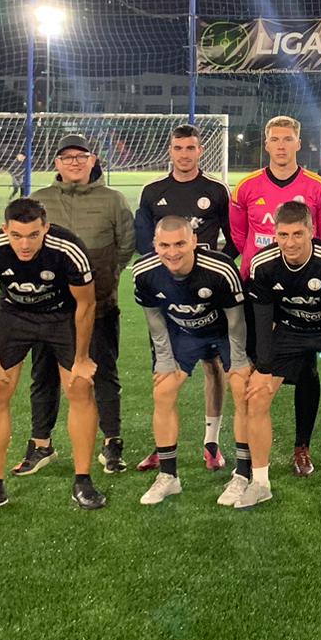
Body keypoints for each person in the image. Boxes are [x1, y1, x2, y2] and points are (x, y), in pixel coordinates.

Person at [0, 198, 104, 515]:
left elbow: (86, 305)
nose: (25, 244)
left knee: (80, 386)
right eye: (16, 236)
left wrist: (81, 358)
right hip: (14, 316)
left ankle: (83, 482)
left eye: (33, 235)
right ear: (5, 230)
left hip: (61, 315)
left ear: (45, 228)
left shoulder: (68, 248)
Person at [15, 134, 135, 478]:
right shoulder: (40, 200)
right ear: (57, 163)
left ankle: (112, 443)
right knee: (44, 374)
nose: (74, 162)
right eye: (67, 157)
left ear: (92, 160)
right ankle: (41, 444)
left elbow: (125, 245)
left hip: (98, 305)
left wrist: (104, 278)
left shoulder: (113, 200)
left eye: (81, 156)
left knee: (103, 372)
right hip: (48, 308)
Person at [228, 115, 321, 478]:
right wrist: (264, 269)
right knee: (255, 369)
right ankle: (247, 453)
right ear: (266, 144)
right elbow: (239, 238)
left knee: (307, 369)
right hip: (259, 290)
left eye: (287, 139)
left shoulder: (319, 188)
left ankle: (301, 446)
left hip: (304, 295)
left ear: (298, 143)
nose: (281, 145)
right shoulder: (245, 187)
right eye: (275, 139)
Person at [245, 202, 321, 510]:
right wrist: (263, 368)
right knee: (257, 398)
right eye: (283, 235)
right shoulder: (263, 264)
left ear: (311, 231)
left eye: (298, 234)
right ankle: (260, 484)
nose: (290, 243)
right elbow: (262, 320)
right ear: (275, 234)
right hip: (290, 331)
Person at [134, 123, 236, 475]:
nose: (184, 154)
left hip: (208, 295)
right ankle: (162, 447)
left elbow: (233, 238)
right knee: (163, 371)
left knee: (214, 366)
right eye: (178, 148)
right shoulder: (153, 192)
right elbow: (144, 244)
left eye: (191, 148)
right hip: (168, 297)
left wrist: (214, 270)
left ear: (200, 150)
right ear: (170, 151)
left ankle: (212, 443)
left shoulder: (216, 190)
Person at [131, 217, 249, 507]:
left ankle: (243, 474)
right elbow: (155, 321)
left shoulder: (220, 269)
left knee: (242, 389)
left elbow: (236, 321)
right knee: (163, 391)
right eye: (164, 245)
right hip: (183, 335)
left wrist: (238, 360)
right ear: (155, 244)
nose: (172, 252)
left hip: (222, 332)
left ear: (194, 241)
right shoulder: (144, 271)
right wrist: (164, 361)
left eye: (180, 244)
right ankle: (168, 476)